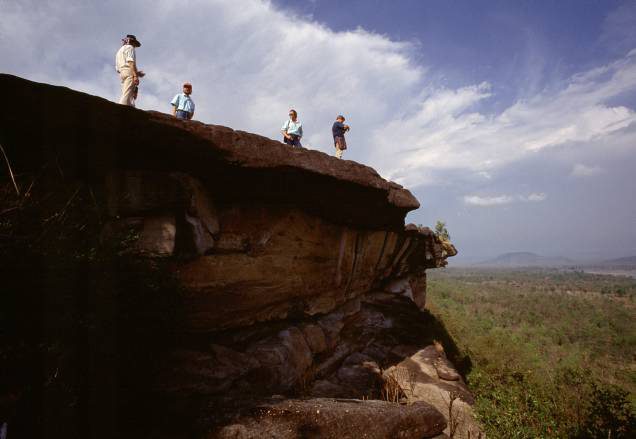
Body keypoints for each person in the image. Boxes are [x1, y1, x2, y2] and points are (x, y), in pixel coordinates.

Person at [115, 34, 144, 106]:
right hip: (129, 72)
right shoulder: (130, 47)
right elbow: (130, 61)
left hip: (122, 73)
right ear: (132, 42)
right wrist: (135, 75)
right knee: (127, 96)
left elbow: (118, 68)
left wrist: (137, 73)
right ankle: (120, 113)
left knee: (127, 94)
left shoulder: (119, 51)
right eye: (134, 43)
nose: (135, 46)